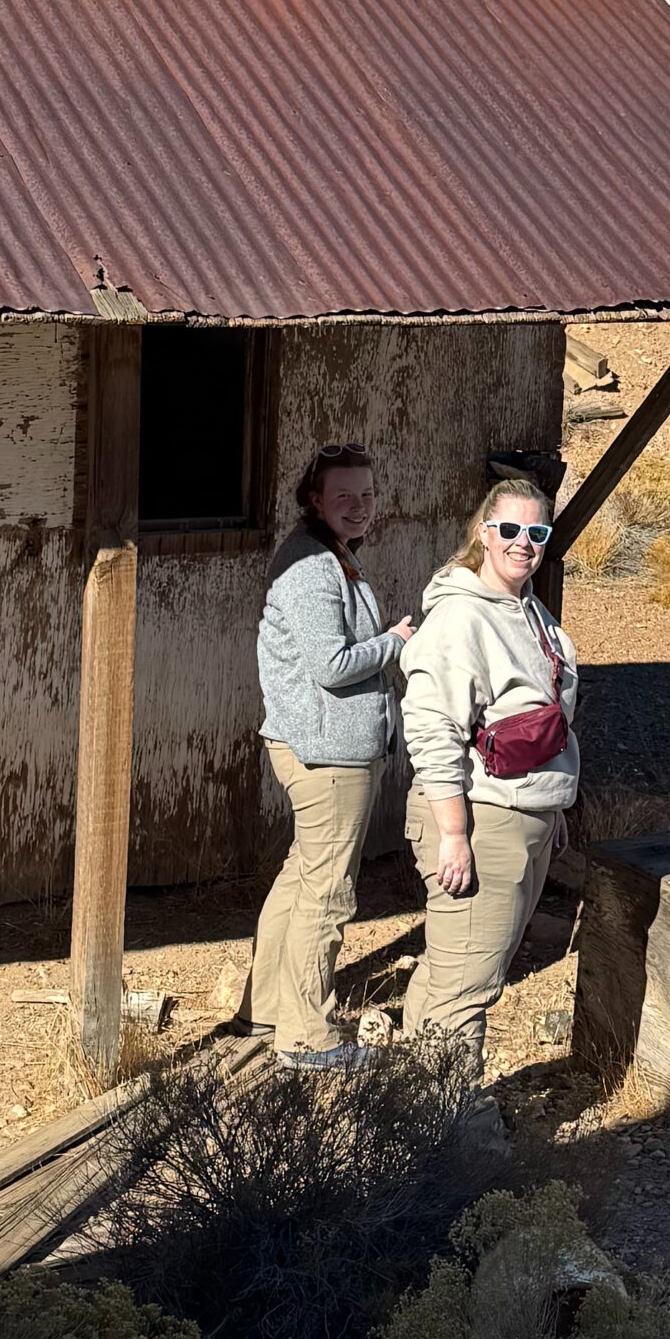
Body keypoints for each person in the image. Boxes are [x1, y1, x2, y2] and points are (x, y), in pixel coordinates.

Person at [401, 470, 580, 1079]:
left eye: (537, 530)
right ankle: (454, 1137)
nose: (522, 542)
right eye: (509, 529)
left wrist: (551, 808)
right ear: (484, 533)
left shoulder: (527, 610)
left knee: (451, 973)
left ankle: (409, 1110)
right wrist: (454, 833)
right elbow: (431, 729)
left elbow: (541, 719)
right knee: (465, 988)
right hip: (481, 818)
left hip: (521, 812)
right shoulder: (461, 618)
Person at [251, 442, 412, 1072]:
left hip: (319, 745)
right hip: (328, 754)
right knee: (329, 894)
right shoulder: (312, 566)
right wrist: (394, 642)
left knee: (301, 879)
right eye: (344, 496)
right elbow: (331, 665)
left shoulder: (330, 554)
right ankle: (307, 1037)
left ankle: (267, 1008)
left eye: (367, 494)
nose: (359, 506)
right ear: (314, 499)